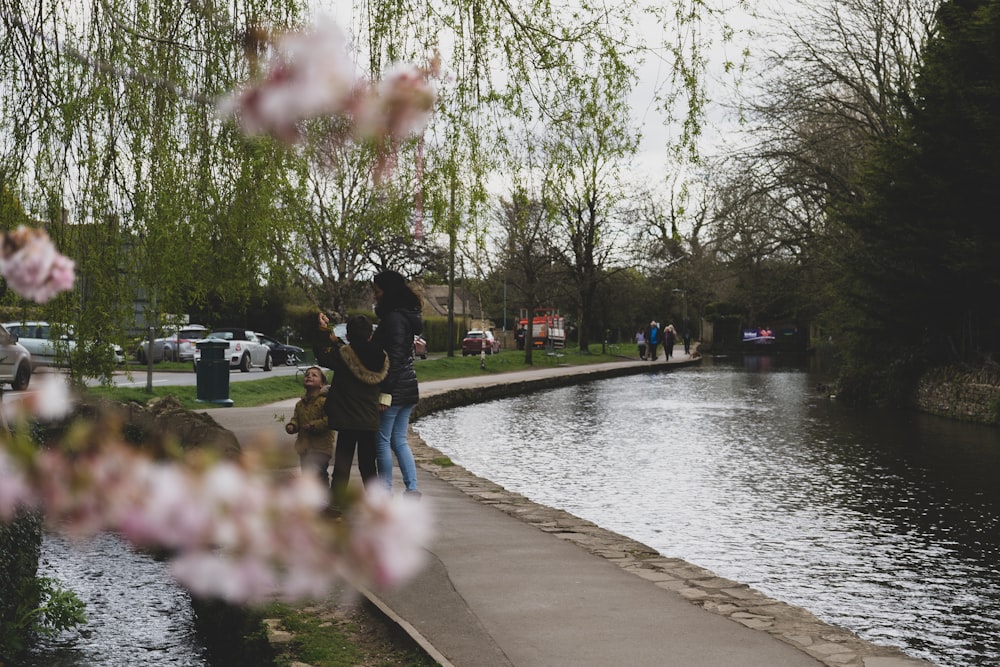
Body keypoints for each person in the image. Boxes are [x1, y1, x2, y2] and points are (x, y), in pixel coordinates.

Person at [314, 312, 389, 507]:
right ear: (369, 335)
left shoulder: (343, 356)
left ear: (348, 335)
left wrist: (322, 330)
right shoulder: (380, 356)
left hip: (346, 419)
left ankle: (336, 505)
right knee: (368, 466)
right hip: (369, 419)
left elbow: (323, 356)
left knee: (342, 465)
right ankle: (377, 506)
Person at [371, 270, 424, 496]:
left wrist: (385, 392)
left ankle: (385, 491)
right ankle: (411, 489)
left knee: (382, 440)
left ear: (388, 291)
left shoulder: (393, 319)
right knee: (399, 440)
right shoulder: (406, 316)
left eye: (378, 290)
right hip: (408, 386)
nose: (376, 295)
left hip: (394, 389)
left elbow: (393, 358)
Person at [285, 366, 335, 487]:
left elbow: (330, 420)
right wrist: (293, 425)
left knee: (319, 473)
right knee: (307, 474)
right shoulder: (300, 404)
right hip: (304, 447)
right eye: (307, 374)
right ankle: (310, 498)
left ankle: (323, 498)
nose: (309, 376)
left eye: (314, 375)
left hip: (321, 447)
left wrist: (313, 425)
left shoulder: (325, 402)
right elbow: (296, 418)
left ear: (322, 384)